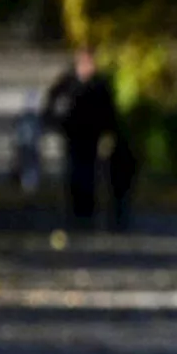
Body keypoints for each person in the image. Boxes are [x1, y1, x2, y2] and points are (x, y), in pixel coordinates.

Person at [43, 46, 119, 226]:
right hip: (72, 134)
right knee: (73, 172)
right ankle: (74, 210)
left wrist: (109, 132)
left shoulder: (100, 84)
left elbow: (109, 111)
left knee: (90, 173)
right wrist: (54, 123)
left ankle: (87, 211)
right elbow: (51, 103)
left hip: (92, 135)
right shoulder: (68, 82)